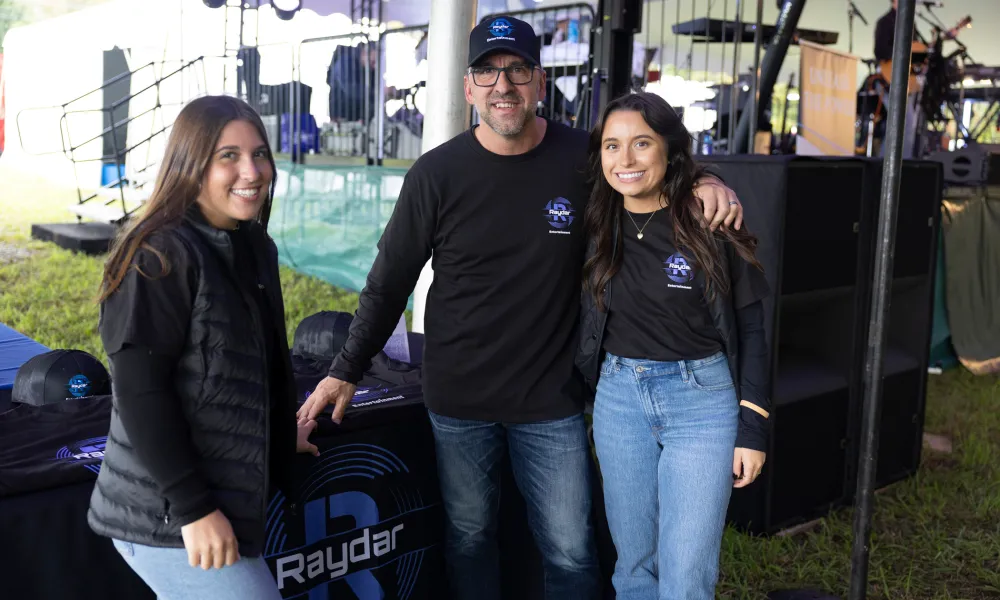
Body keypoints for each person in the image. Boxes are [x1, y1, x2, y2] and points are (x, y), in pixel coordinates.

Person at [296, 16, 745, 599]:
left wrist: (707, 180)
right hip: (460, 399)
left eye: (516, 71)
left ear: (538, 81)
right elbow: (388, 284)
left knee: (571, 549)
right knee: (469, 537)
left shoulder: (581, 159)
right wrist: (344, 370)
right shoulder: (436, 174)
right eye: (486, 71)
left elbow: (646, 161)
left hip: (550, 399)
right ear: (467, 87)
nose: (501, 85)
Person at [87, 95, 320, 600]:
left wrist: (278, 436)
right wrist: (193, 509)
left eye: (259, 154)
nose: (252, 171)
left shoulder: (253, 244)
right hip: (163, 514)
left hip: (214, 495)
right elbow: (140, 394)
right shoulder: (158, 253)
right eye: (228, 156)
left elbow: (255, 364)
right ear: (191, 164)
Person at [575, 91, 771, 599]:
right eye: (612, 146)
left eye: (642, 143)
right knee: (633, 568)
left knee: (686, 577)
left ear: (670, 149)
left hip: (700, 400)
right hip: (619, 398)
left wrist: (753, 426)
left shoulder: (712, 222)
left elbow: (752, 329)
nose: (626, 160)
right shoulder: (596, 221)